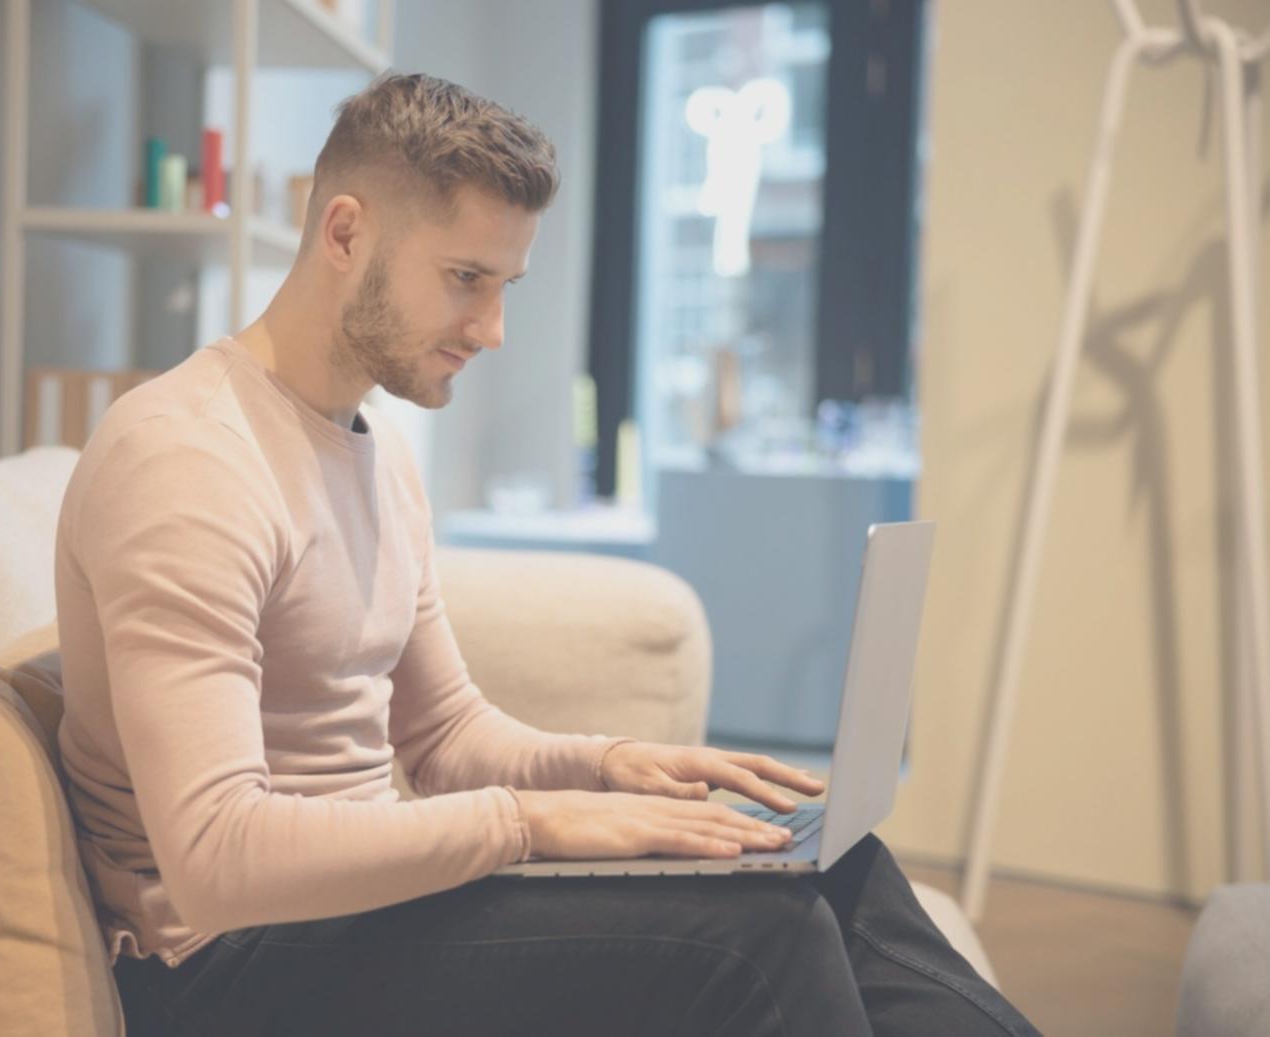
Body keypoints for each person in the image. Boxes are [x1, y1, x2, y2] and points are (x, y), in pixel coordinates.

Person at [55, 71, 1041, 1036]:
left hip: (352, 909)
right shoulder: (185, 456)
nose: (490, 329)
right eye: (464, 279)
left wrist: (610, 768)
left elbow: (442, 738)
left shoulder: (376, 454)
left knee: (828, 860)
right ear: (345, 232)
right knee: (755, 932)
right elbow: (214, 853)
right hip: (224, 964)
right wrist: (533, 822)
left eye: (504, 285)